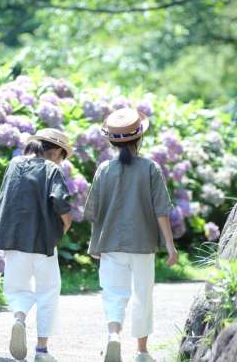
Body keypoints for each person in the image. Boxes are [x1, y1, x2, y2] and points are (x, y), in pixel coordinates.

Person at [84, 108, 179, 362]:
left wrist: (95, 243)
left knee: (114, 293)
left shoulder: (104, 169)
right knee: (142, 296)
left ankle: (113, 336)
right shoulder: (150, 168)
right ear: (140, 139)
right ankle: (141, 351)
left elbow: (95, 210)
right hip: (143, 244)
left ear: (112, 142)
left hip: (110, 243)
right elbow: (161, 210)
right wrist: (170, 245)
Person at [0, 129, 74, 362]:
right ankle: (41, 351)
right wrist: (65, 227)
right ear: (57, 153)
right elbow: (62, 204)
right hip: (43, 242)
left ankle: (19, 319)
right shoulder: (52, 169)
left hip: (13, 239)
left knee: (17, 288)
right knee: (48, 291)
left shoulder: (15, 164)